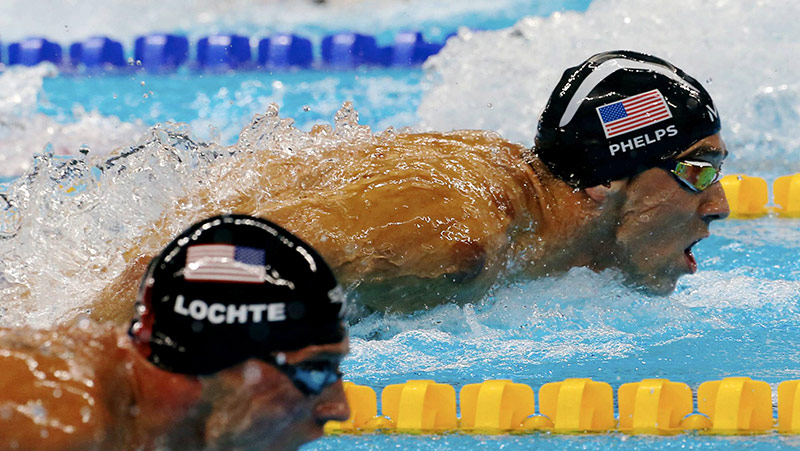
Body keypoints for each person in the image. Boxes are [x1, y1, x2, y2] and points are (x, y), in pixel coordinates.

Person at [84, 49, 729, 325]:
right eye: (698, 171)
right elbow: (184, 266)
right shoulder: (454, 240)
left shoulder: (510, 188)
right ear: (607, 181)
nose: (720, 206)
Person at [0, 214, 350, 451]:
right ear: (222, 362)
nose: (340, 408)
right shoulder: (52, 425)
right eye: (316, 370)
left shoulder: (149, 448)